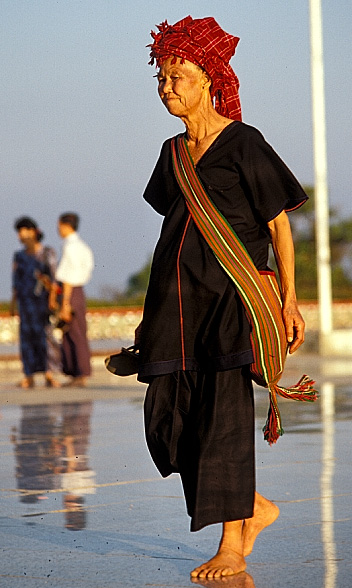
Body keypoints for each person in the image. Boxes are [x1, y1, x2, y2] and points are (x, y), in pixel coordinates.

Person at [135, 16, 310, 580]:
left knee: (225, 419)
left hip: (232, 302)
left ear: (209, 78)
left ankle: (234, 542)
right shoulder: (172, 154)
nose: (167, 87)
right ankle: (253, 505)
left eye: (178, 75)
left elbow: (278, 225)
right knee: (169, 421)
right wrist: (148, 314)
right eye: (161, 78)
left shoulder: (243, 142)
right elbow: (173, 233)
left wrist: (287, 299)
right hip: (173, 309)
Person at [11, 216, 60, 388]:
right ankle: (29, 375)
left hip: (42, 304)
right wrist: (13, 303)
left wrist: (53, 300)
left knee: (45, 338)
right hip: (25, 304)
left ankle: (49, 374)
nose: (20, 235)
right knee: (26, 339)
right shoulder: (19, 256)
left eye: (23, 231)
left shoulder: (47, 253)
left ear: (32, 231)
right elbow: (15, 281)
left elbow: (53, 279)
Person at [55, 213, 94, 387]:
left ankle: (81, 373)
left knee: (74, 332)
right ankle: (76, 372)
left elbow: (68, 277)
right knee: (74, 332)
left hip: (71, 292)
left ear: (65, 225)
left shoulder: (70, 246)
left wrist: (65, 303)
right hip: (79, 292)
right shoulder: (82, 246)